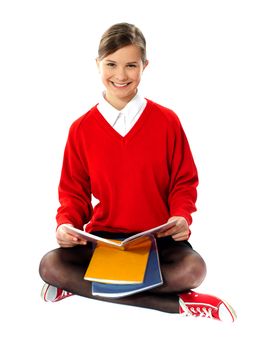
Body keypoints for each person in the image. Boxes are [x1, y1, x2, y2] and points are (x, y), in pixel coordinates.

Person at [39, 22, 236, 322]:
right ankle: (176, 305)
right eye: (111, 64)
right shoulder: (81, 129)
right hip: (104, 242)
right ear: (97, 64)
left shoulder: (167, 122)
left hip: (158, 241)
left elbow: (184, 181)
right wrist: (65, 225)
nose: (120, 75)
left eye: (131, 65)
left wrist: (181, 216)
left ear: (145, 65)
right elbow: (73, 191)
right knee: (49, 266)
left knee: (193, 270)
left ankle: (80, 288)